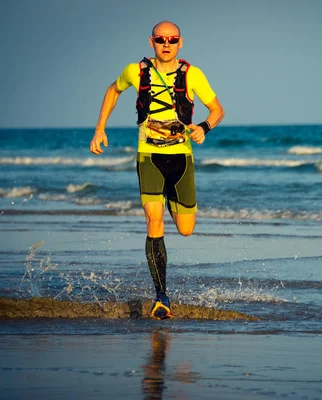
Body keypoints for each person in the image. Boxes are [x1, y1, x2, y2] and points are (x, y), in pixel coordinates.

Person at [89, 21, 225, 319]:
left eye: (172, 39)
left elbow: (217, 110)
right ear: (152, 41)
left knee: (186, 230)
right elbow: (113, 90)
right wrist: (100, 128)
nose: (167, 44)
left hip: (181, 159)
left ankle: (173, 208)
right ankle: (161, 297)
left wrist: (204, 127)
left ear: (180, 42)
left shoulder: (193, 75)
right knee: (154, 219)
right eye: (161, 39)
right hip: (148, 156)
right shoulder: (135, 72)